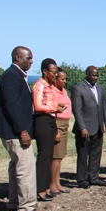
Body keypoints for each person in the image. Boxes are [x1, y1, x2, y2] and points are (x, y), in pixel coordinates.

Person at [0, 46, 44, 211]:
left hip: (15, 131)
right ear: (17, 57)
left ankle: (14, 202)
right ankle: (26, 206)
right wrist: (22, 130)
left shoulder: (17, 76)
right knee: (26, 167)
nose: (31, 61)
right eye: (28, 58)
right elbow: (12, 106)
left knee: (16, 166)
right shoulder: (11, 77)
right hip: (14, 132)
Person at [71, 66, 106, 188]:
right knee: (83, 154)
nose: (95, 77)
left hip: (98, 127)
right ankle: (82, 179)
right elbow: (77, 110)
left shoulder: (100, 88)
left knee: (96, 153)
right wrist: (82, 128)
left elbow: (104, 107)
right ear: (87, 74)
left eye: (97, 75)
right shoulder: (78, 88)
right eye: (93, 75)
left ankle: (94, 177)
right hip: (85, 128)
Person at [32, 58, 64, 202]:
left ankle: (46, 187)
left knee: (49, 155)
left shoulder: (50, 86)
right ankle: (39, 189)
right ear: (45, 71)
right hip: (42, 121)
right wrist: (54, 108)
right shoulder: (39, 86)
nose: (55, 75)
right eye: (53, 72)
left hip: (51, 120)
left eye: (56, 72)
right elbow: (38, 106)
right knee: (44, 156)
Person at [50, 67, 72, 194]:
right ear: (55, 78)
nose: (64, 81)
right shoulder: (52, 91)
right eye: (62, 79)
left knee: (60, 156)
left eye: (65, 79)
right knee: (55, 156)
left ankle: (57, 182)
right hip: (57, 124)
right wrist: (55, 131)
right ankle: (52, 183)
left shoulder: (63, 91)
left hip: (65, 124)